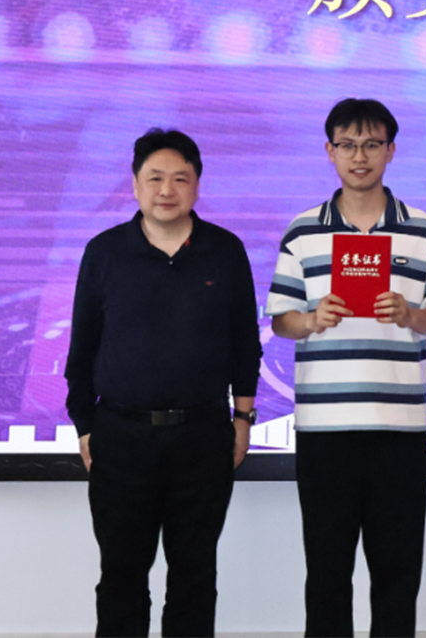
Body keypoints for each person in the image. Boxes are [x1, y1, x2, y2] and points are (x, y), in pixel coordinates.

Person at [263, 98, 426, 637]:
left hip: (400, 429)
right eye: (347, 145)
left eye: (372, 144)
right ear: (329, 152)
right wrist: (312, 319)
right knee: (327, 573)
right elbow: (281, 321)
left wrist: (412, 315)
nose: (360, 156)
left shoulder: (422, 230)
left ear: (391, 151)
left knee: (398, 571)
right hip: (325, 430)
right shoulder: (303, 231)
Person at [69, 127, 260, 638]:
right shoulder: (105, 252)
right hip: (121, 437)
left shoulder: (225, 250)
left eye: (180, 178)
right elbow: (82, 349)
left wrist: (243, 419)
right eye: (154, 178)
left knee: (194, 577)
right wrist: (85, 426)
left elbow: (245, 344)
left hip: (203, 437)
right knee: (122, 577)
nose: (167, 190)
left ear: (197, 184)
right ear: (134, 184)